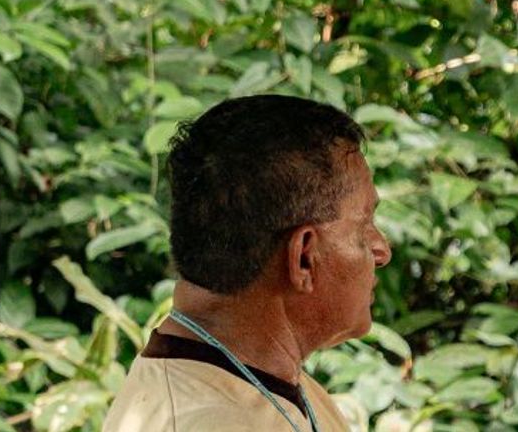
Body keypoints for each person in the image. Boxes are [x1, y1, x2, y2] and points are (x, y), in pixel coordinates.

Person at [101, 95, 393, 431]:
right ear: (303, 258)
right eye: (364, 226)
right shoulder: (209, 421)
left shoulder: (265, 380)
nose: (382, 251)